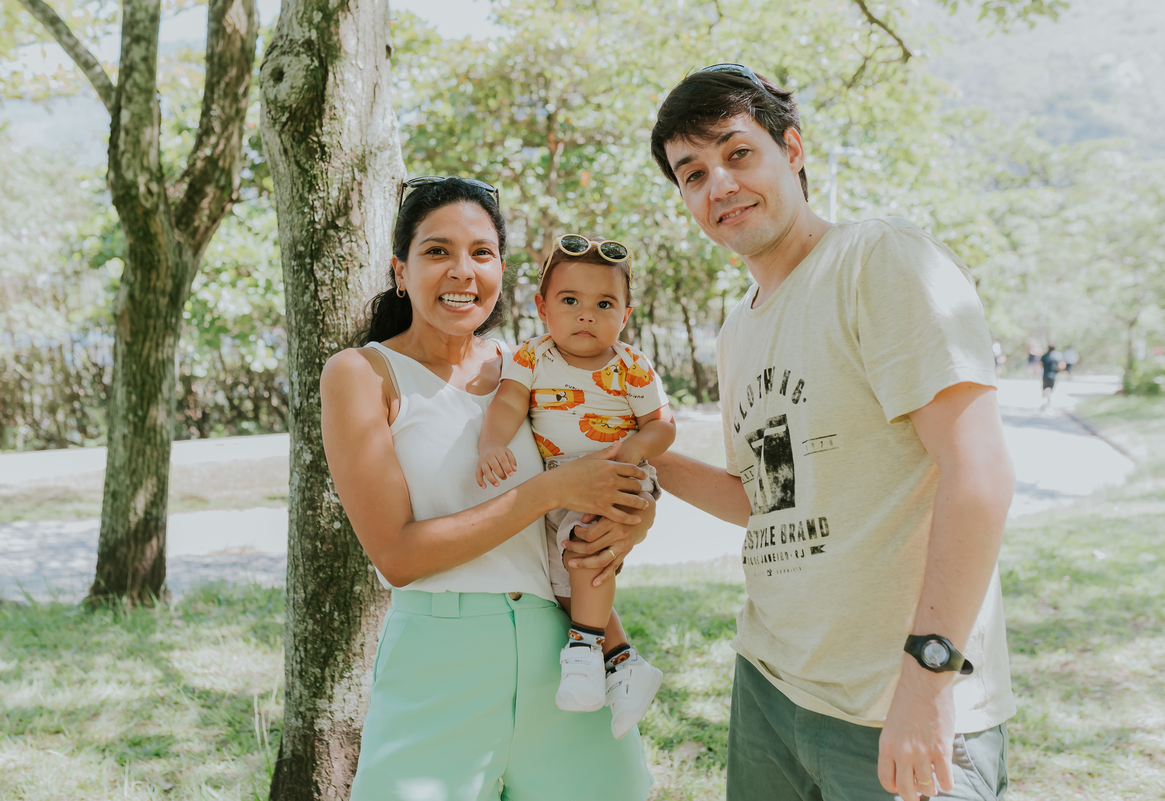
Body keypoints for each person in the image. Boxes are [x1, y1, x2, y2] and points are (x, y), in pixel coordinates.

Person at [647, 65, 1016, 801]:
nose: (718, 184)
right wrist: (644, 448)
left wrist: (927, 677)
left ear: (793, 149)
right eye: (692, 173)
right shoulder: (736, 329)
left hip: (894, 706)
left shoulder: (877, 259)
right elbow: (768, 501)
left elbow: (979, 472)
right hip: (770, 690)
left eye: (738, 153)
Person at [320, 177, 654, 801]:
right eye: (437, 251)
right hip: (439, 662)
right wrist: (548, 494)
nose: (462, 271)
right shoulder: (362, 374)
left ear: (501, 270)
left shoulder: (533, 366)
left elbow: (614, 458)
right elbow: (396, 556)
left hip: (563, 652)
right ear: (400, 269)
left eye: (481, 252)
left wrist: (634, 513)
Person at [476, 233, 673, 737]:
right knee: (561, 573)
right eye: (570, 301)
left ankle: (584, 649)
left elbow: (662, 424)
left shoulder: (630, 364)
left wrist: (632, 450)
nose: (587, 314)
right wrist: (491, 444)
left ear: (625, 315)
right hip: (559, 486)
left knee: (587, 547)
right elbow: (507, 405)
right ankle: (624, 664)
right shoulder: (531, 357)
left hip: (618, 475)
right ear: (543, 307)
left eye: (604, 303)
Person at [1040, 343, 1065, 410]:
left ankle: (1047, 401)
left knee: (1045, 388)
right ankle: (1048, 401)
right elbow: (1061, 365)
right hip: (1053, 375)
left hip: (1045, 375)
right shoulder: (1056, 356)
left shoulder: (1045, 356)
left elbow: (1040, 364)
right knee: (1050, 389)